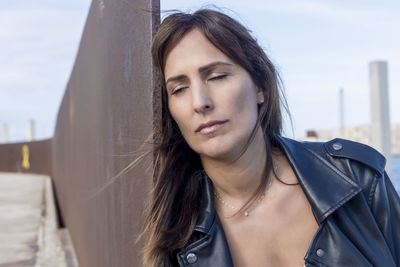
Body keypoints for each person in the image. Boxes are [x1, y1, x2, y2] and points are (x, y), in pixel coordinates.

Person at [140, 9, 400, 267]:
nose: (200, 103)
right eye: (179, 89)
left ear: (260, 87)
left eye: (217, 76)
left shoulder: (356, 177)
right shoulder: (174, 241)